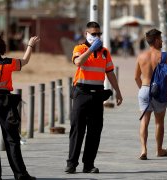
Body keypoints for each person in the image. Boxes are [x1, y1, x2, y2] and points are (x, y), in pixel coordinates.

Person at [0, 34, 40, 180]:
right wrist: (30, 45)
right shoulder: (7, 63)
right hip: (3, 103)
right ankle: (20, 174)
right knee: (11, 139)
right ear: (1, 47)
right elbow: (24, 61)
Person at [65, 21, 123, 174]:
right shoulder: (80, 48)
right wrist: (91, 49)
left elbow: (110, 72)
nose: (97, 37)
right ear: (86, 34)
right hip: (81, 92)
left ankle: (88, 164)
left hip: (97, 94)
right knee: (77, 129)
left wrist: (117, 91)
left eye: (99, 34)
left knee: (95, 131)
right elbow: (78, 62)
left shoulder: (104, 52)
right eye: (93, 34)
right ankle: (71, 163)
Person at [134, 29, 167, 160]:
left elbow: (136, 77)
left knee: (144, 122)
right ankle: (159, 150)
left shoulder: (141, 56)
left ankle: (143, 150)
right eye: (161, 39)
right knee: (159, 122)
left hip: (144, 90)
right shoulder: (164, 56)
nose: (162, 41)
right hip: (159, 92)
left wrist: (143, 90)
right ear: (156, 40)